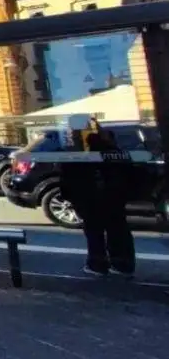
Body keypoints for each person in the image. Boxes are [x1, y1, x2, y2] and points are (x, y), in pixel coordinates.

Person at [60, 115, 136, 276]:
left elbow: (69, 179)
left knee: (94, 231)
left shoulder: (78, 153)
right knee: (118, 229)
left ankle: (98, 264)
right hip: (113, 197)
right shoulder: (113, 151)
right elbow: (128, 174)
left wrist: (71, 197)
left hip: (90, 199)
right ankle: (122, 264)